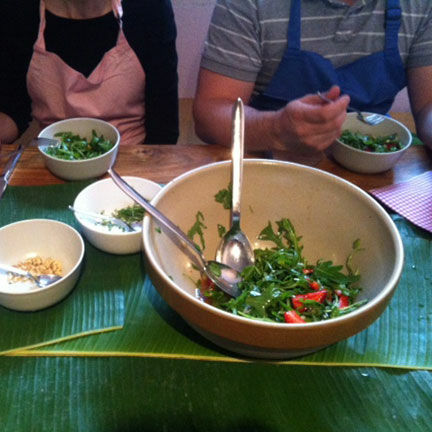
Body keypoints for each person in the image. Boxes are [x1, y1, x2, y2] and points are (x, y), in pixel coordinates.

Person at [193, 0, 432, 156]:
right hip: (266, 160)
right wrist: (275, 129)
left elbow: (428, 105)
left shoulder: (421, 6)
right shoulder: (250, 4)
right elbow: (209, 114)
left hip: (375, 169)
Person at [0, 0, 179, 145]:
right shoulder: (19, 10)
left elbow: (164, 130)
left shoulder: (149, 8)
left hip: (131, 160)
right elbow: (13, 108)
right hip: (52, 157)